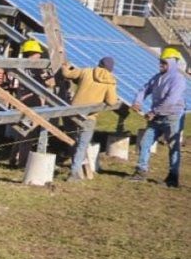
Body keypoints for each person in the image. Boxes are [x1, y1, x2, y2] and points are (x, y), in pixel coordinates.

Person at [130, 48, 187, 187]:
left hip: (172, 117)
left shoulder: (178, 80)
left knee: (173, 147)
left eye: (164, 62)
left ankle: (173, 178)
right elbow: (144, 89)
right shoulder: (158, 77)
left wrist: (153, 112)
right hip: (157, 118)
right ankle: (141, 171)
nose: (161, 64)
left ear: (172, 63)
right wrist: (138, 101)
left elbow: (171, 100)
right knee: (145, 143)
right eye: (160, 62)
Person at [60, 57, 119, 182]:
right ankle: (74, 172)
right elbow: (112, 101)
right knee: (82, 144)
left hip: (72, 113)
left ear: (99, 64)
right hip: (89, 116)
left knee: (72, 139)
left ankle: (72, 162)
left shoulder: (86, 71)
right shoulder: (110, 81)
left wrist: (66, 66)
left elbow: (67, 74)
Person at [7, 39, 56, 167]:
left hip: (21, 99)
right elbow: (50, 83)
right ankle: (23, 163)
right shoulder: (38, 67)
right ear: (33, 53)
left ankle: (13, 158)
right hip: (33, 102)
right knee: (29, 134)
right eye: (38, 53)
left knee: (21, 132)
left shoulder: (22, 64)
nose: (40, 55)